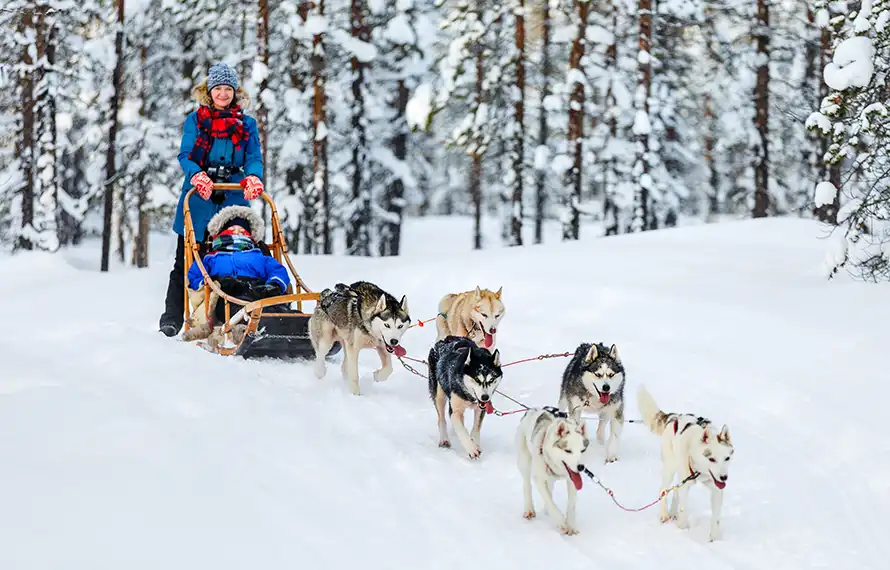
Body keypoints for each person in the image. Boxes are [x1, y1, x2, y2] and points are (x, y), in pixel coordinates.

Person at [159, 62, 266, 337]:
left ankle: (246, 311)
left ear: (235, 91)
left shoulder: (247, 124)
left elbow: (253, 157)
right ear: (209, 91)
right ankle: (172, 317)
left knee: (242, 255)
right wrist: (197, 175)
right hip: (198, 199)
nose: (222, 94)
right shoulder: (196, 120)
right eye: (217, 88)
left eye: (227, 89)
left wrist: (253, 177)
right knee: (186, 258)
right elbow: (186, 155)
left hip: (233, 194)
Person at [182, 205, 290, 342]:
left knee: (276, 309)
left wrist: (274, 284)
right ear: (221, 233)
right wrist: (211, 282)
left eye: (242, 231)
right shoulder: (211, 257)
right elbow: (194, 276)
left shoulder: (259, 255)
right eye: (232, 230)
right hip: (227, 294)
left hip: (258, 291)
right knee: (240, 309)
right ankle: (250, 330)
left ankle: (303, 328)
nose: (237, 233)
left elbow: (277, 270)